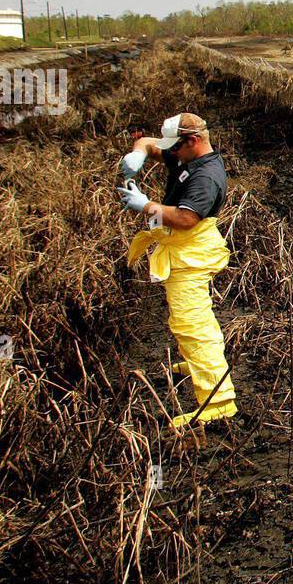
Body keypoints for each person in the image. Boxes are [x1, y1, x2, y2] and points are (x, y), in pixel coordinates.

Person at [118, 113, 237, 430]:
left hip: (191, 252)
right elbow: (148, 144)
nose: (171, 153)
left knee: (192, 322)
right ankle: (198, 364)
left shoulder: (206, 177)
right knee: (186, 315)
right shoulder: (184, 156)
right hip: (181, 250)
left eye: (177, 148)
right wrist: (137, 154)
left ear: (193, 142)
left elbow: (186, 219)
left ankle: (218, 403)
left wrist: (146, 205)